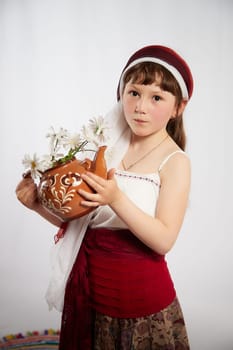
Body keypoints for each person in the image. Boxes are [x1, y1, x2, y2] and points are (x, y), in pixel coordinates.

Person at [16, 45, 194, 350]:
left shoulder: (175, 162)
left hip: (141, 305)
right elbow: (81, 222)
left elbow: (164, 239)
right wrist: (36, 206)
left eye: (157, 98)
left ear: (178, 107)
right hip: (93, 302)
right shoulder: (106, 148)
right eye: (134, 92)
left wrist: (116, 198)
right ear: (121, 93)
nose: (140, 107)